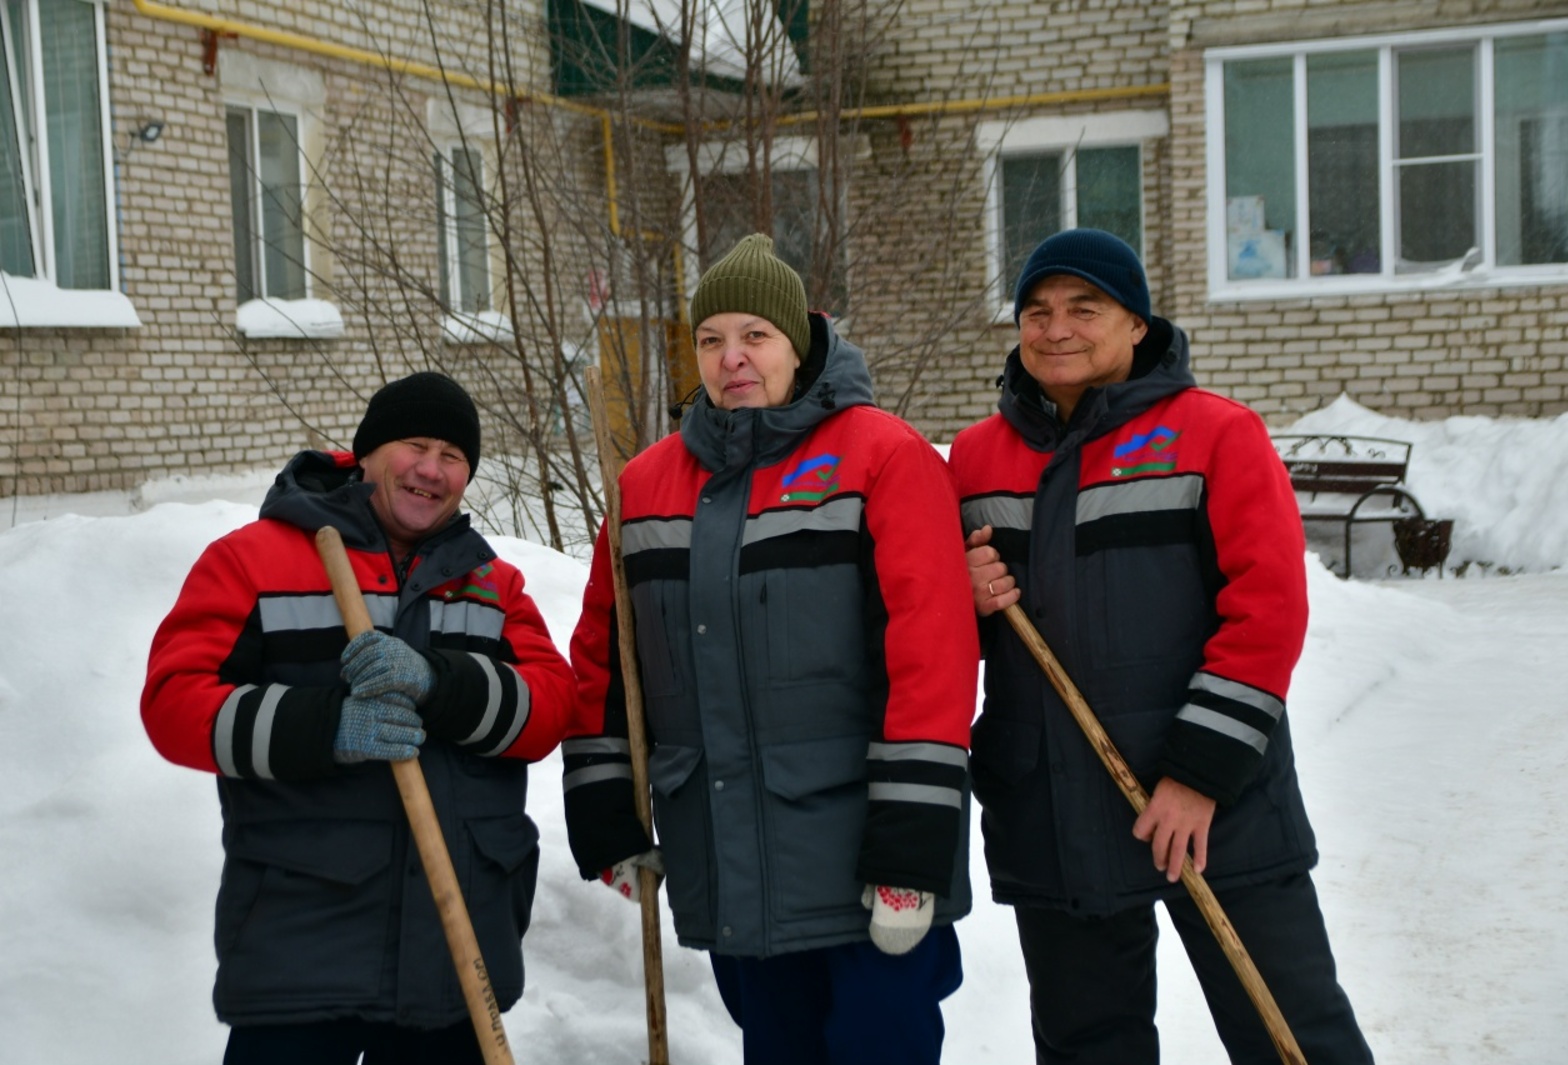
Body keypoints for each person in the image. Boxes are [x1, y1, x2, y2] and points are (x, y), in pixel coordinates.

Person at [947, 229, 1372, 1064]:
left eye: (1084, 308)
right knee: (1087, 1045)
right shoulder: (976, 456)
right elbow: (942, 625)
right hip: (1055, 806)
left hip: (1216, 808)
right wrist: (968, 598)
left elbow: (1266, 612)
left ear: (1136, 322)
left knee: (1291, 1030)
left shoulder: (1215, 434)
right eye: (1037, 310)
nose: (1056, 328)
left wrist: (1198, 775)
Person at [561, 234, 978, 1065]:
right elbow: (609, 658)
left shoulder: (882, 458)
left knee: (880, 1047)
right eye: (712, 339)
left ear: (800, 342)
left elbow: (930, 651)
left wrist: (913, 848)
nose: (733, 358)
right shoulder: (643, 486)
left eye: (755, 335)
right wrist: (608, 810)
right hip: (726, 854)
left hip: (864, 859)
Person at [142, 371, 579, 1064]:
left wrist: (443, 683)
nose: (432, 470)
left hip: (453, 962)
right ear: (369, 451)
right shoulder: (254, 561)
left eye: (453, 456)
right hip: (304, 954)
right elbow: (173, 703)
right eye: (415, 445)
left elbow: (552, 706)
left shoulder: (491, 585)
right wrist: (330, 726)